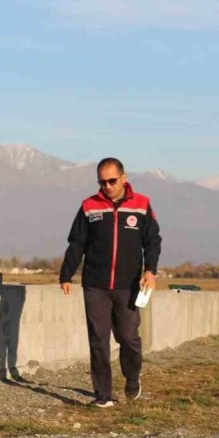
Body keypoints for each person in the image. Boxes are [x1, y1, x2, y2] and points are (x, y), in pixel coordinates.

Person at [59, 157, 162, 408]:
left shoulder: (142, 205)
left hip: (128, 285)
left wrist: (150, 270)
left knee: (127, 338)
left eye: (111, 181)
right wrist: (66, 274)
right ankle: (103, 395)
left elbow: (153, 240)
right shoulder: (89, 206)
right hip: (95, 284)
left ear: (124, 179)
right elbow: (77, 243)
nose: (107, 186)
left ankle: (132, 376)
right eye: (102, 182)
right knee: (98, 339)